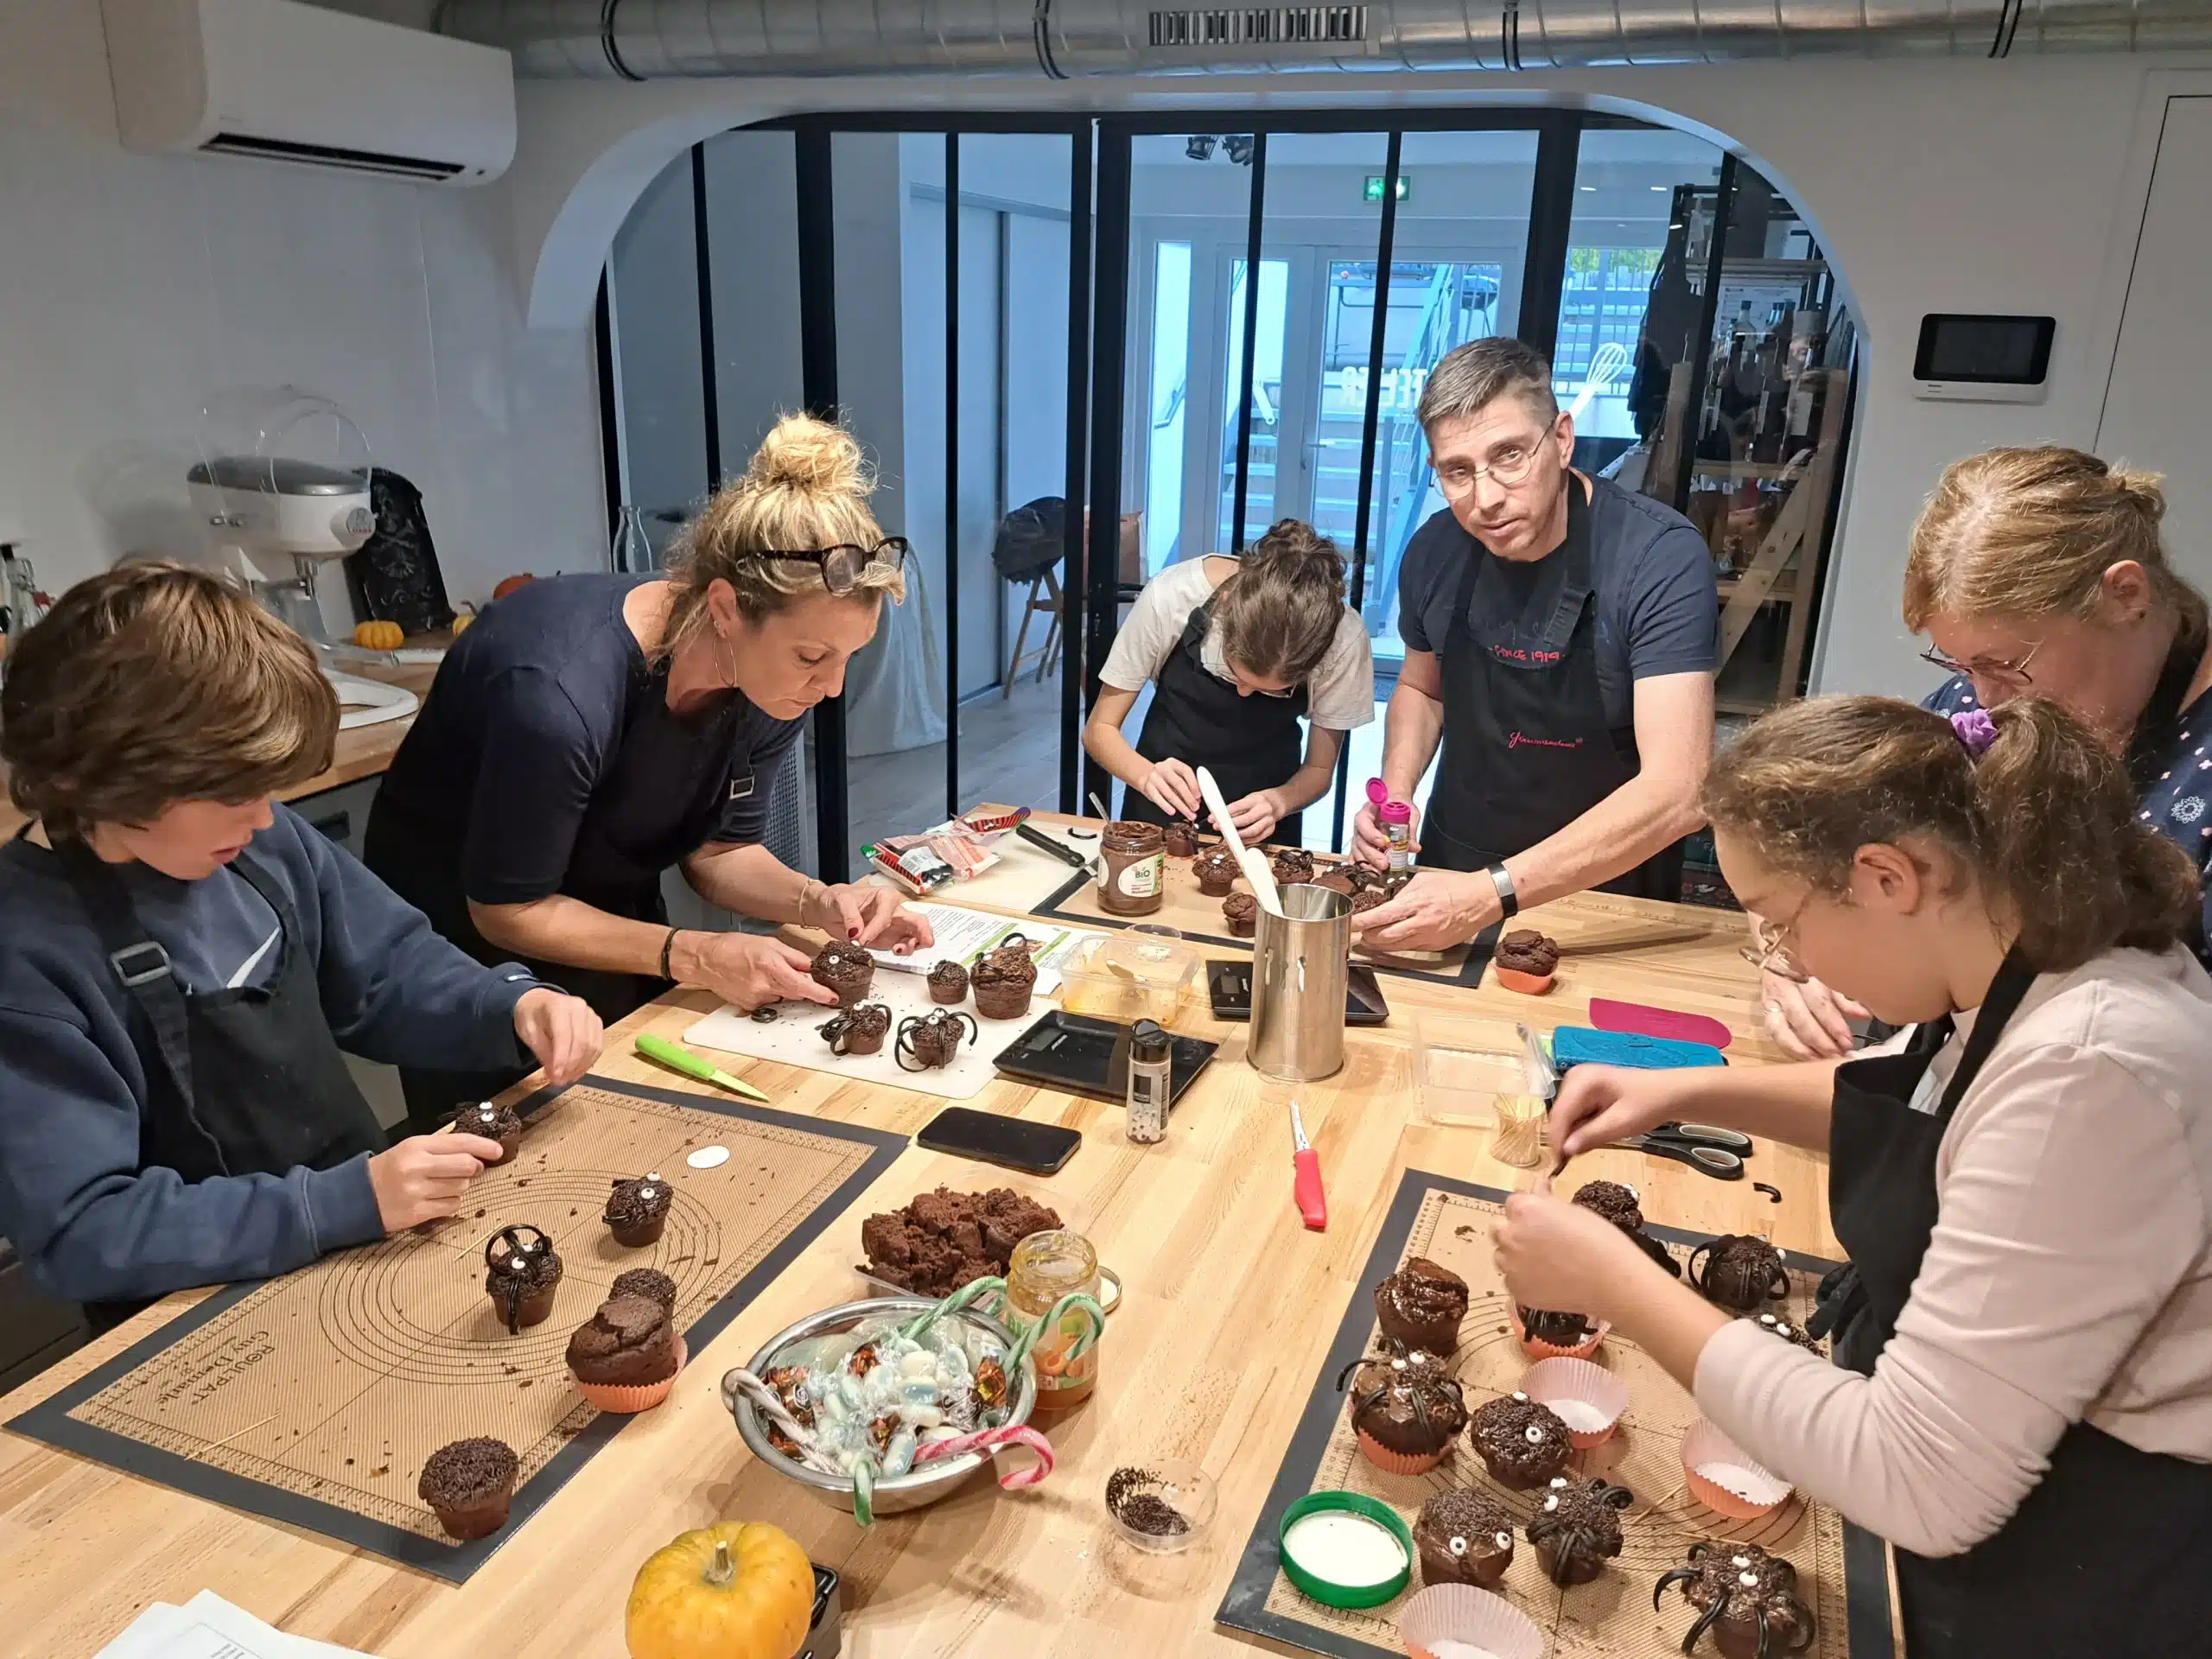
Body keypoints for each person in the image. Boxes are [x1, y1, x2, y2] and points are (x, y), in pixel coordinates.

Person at [1495, 694, 2212, 1658]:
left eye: (1778, 925)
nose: (1783, 959)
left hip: (2081, 1542)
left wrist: (1617, 1280)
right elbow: (1936, 1099)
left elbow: (1919, 1476)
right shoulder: (2019, 943)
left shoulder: (2090, 1072)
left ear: (1887, 878)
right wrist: (1681, 1092)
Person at [0, 563, 604, 1317]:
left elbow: (386, 971)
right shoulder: (27, 956)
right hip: (191, 1321)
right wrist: (333, 1204)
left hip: (361, 1242)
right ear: (110, 779)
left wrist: (508, 1004)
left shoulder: (259, 845)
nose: (262, 820)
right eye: (235, 795)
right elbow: (83, 1233)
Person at [364, 416, 932, 1132]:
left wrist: (819, 902)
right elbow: (506, 907)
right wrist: (692, 953)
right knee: (516, 1146)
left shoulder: (769, 680)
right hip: (467, 945)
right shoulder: (559, 693)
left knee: (635, 1113)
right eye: (814, 658)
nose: (831, 688)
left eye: (850, 658)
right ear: (725, 607)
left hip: (603, 906)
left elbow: (719, 852)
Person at [1762, 447, 2212, 1057]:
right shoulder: (1973, 704)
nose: (1984, 695)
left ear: (2126, 594)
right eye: (1959, 664)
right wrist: (1796, 947)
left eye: (2005, 664)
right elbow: (1804, 842)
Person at [1348, 338, 1715, 951]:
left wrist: (1489, 894)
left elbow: (1681, 789)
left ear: (1563, 439)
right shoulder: (1435, 551)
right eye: (1456, 472)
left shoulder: (1658, 559)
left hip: (1602, 889)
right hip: (1450, 868)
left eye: (1510, 456)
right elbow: (1420, 687)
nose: (1485, 498)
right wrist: (1398, 795)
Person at [1083, 518, 1374, 845]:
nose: (1244, 693)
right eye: (1238, 674)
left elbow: (1320, 770)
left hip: (1264, 822)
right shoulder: (1171, 596)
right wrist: (1146, 775)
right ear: (1225, 610)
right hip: (1160, 808)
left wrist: (1279, 802)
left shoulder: (1343, 638)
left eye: (1269, 691)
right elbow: (1099, 730)